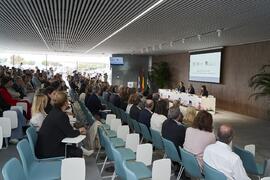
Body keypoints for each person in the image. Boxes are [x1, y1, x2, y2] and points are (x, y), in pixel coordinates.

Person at [36, 91, 87, 158]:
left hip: (43, 149)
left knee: (73, 147)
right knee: (77, 152)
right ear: (65, 103)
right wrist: (80, 130)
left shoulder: (54, 111)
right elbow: (71, 134)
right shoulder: (60, 115)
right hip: (49, 152)